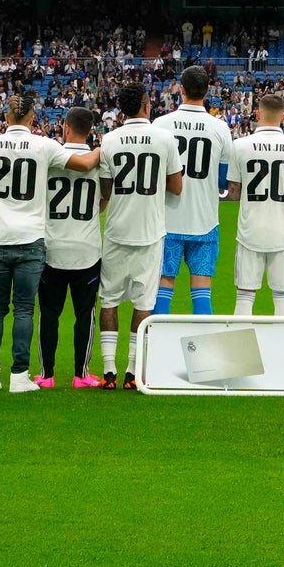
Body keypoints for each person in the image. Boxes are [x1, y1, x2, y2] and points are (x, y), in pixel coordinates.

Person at [0, 92, 100, 393]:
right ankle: (19, 376)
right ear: (33, 119)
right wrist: (106, 148)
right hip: (30, 239)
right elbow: (84, 163)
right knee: (24, 309)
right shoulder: (44, 145)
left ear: (5, 118)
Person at [98, 83, 183, 390]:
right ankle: (132, 372)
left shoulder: (109, 140)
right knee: (143, 303)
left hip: (118, 230)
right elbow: (176, 187)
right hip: (150, 231)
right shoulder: (164, 139)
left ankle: (109, 371)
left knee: (109, 300)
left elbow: (105, 191)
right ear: (147, 106)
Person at [152, 66, 233, 317]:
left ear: (181, 89)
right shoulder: (220, 128)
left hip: (167, 221)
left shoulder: (161, 124)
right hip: (205, 221)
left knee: (164, 287)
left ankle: (159, 352)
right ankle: (202, 355)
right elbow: (222, 181)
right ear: (207, 91)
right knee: (202, 294)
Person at [36, 108, 104, 390]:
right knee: (85, 313)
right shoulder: (100, 160)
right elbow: (104, 199)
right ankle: (81, 374)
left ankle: (46, 375)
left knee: (49, 313)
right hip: (86, 248)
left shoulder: (50, 157)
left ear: (65, 128)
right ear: (89, 130)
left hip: (52, 246)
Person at [229, 94, 284, 317]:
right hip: (283, 232)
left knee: (244, 299)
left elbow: (234, 193)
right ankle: (283, 351)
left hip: (249, 232)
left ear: (257, 114)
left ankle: (241, 352)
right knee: (283, 303)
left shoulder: (240, 145)